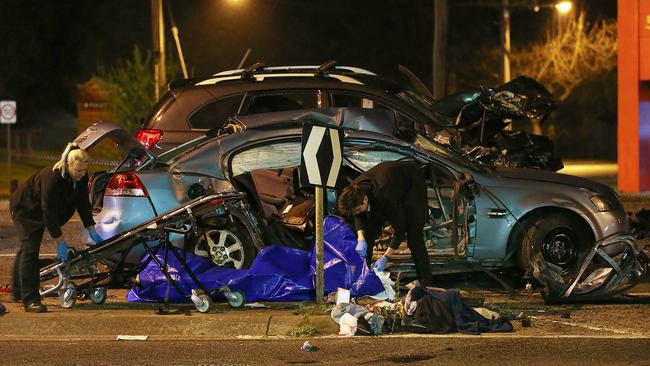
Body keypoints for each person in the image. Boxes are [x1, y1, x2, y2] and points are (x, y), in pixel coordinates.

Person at [10, 143, 103, 312]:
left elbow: (82, 202)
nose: (82, 175)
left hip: (43, 211)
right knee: (30, 249)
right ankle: (30, 300)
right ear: (68, 166)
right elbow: (49, 211)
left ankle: (18, 291)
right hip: (26, 209)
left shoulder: (80, 177)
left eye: (84, 170)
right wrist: (60, 240)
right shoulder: (52, 178)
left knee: (25, 251)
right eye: (78, 171)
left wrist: (91, 228)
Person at [337, 159, 433, 287]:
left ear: (365, 200)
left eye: (359, 209)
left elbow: (400, 230)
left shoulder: (386, 197)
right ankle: (363, 277)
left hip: (411, 183)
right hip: (387, 183)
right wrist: (361, 237)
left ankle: (426, 282)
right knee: (368, 233)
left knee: (414, 234)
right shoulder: (354, 190)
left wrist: (385, 257)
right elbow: (359, 215)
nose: (357, 213)